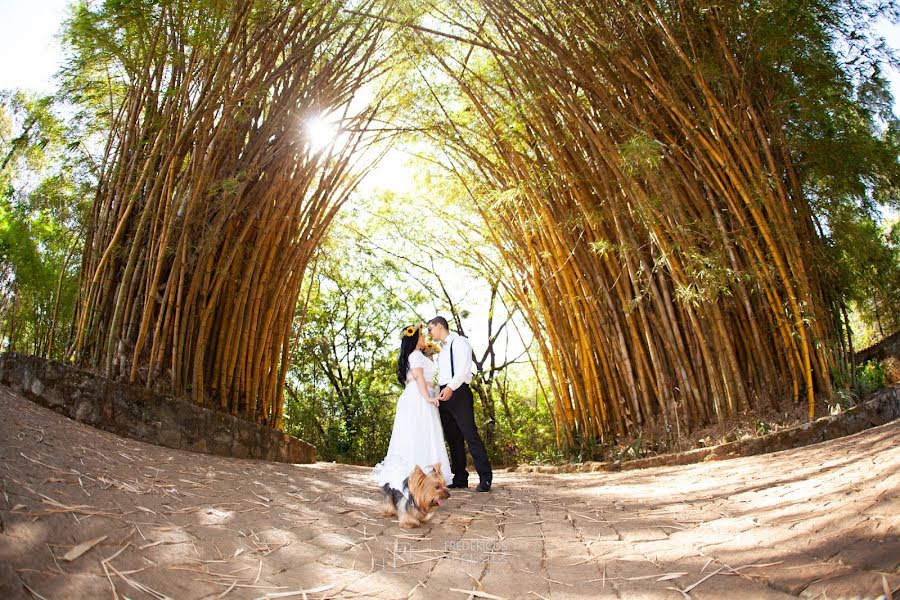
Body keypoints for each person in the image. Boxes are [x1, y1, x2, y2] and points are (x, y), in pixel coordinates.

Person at [371, 323, 452, 492]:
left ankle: (425, 480)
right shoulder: (415, 355)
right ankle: (416, 478)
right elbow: (419, 378)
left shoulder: (420, 355)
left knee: (424, 434)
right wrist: (428, 398)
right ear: (415, 339)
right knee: (418, 434)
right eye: (422, 335)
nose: (424, 338)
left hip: (422, 394)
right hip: (418, 397)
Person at [427, 317, 492, 492]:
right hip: (443, 392)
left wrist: (450, 387)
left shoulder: (460, 342)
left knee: (470, 434)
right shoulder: (442, 350)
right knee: (453, 438)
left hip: (458, 391)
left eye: (430, 329)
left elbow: (464, 368)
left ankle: (485, 477)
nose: (429, 333)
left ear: (439, 326)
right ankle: (460, 477)